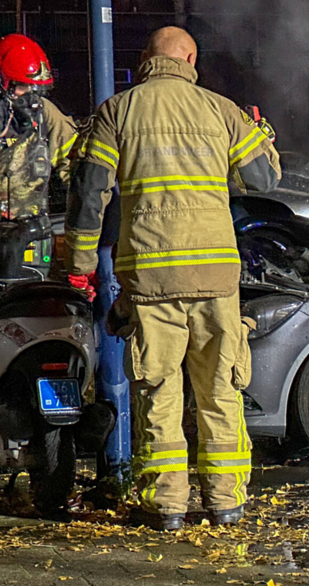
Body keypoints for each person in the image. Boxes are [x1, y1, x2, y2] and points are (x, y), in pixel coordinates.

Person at [65, 26, 281, 531]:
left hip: (151, 280)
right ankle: (225, 503)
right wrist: (262, 136)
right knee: (220, 392)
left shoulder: (118, 112)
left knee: (158, 392)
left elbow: (90, 191)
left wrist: (77, 268)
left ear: (146, 59)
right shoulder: (221, 110)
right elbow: (265, 179)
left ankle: (167, 508)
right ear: (191, 58)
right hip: (215, 281)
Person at [0, 34, 78, 185]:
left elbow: (71, 159)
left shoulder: (45, 111)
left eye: (35, 89)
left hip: (29, 205)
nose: (31, 97)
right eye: (23, 86)